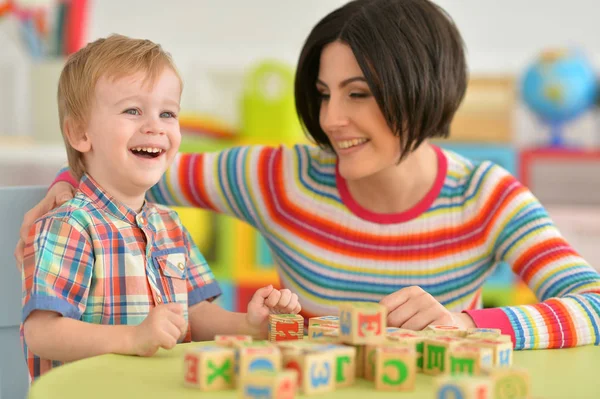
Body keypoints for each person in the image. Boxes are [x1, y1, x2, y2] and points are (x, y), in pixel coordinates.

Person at [17, 0, 600, 351]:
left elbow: (593, 303)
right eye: (323, 94)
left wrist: (468, 322)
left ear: (423, 90)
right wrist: (68, 184)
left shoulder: (488, 197)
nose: (330, 119)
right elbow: (128, 170)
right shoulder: (276, 175)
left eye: (359, 94)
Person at [19, 34, 300, 380]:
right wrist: (133, 337)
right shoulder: (70, 224)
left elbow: (194, 313)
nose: (155, 126)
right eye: (132, 110)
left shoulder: (169, 224)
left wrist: (249, 324)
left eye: (168, 113)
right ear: (80, 134)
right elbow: (42, 333)